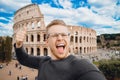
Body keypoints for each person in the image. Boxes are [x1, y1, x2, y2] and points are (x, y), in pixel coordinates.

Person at [14, 19, 106, 80]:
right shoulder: (43, 61)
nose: (60, 38)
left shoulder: (82, 65)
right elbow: (23, 58)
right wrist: (19, 44)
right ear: (47, 41)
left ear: (69, 39)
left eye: (64, 34)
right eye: (54, 35)